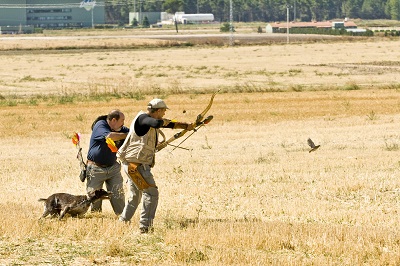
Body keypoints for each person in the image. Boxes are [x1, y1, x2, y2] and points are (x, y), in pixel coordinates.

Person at [117, 99, 194, 233]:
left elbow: (162, 124)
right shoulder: (143, 118)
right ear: (158, 110)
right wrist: (168, 123)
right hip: (136, 166)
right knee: (151, 193)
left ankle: (123, 222)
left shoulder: (147, 120)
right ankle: (145, 227)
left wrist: (185, 126)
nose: (164, 114)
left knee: (135, 196)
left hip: (131, 164)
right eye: (163, 111)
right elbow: (157, 123)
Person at [86, 109, 129, 215]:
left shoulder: (121, 129)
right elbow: (110, 136)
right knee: (94, 198)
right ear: (114, 120)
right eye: (122, 120)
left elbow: (134, 133)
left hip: (113, 168)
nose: (123, 123)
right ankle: (96, 219)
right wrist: (128, 135)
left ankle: (123, 218)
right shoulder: (100, 125)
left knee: (118, 195)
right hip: (95, 169)